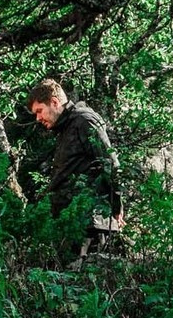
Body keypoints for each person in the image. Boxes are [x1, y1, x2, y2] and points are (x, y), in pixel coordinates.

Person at [28, 77, 125, 255]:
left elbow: (110, 163)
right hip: (72, 220)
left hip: (89, 223)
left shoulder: (84, 120)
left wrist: (117, 207)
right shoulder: (66, 127)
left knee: (82, 279)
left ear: (55, 102)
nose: (38, 118)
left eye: (39, 111)